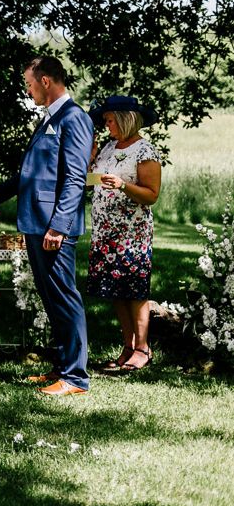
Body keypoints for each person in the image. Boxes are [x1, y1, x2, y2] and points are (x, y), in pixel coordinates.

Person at [0, 56, 93, 396]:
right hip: (35, 222)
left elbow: (75, 178)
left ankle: (76, 378)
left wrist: (60, 226)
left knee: (64, 296)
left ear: (46, 81)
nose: (27, 89)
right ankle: (61, 367)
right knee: (51, 298)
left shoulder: (74, 118)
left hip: (53, 226)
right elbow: (33, 175)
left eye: (29, 84)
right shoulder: (50, 119)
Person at [88, 95, 161, 371]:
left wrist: (122, 185)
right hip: (105, 232)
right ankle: (128, 346)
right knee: (115, 290)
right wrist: (92, 156)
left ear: (124, 119)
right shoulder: (108, 147)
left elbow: (152, 195)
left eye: (109, 120)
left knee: (134, 290)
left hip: (132, 233)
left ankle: (143, 348)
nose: (106, 126)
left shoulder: (145, 151)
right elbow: (88, 178)